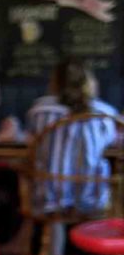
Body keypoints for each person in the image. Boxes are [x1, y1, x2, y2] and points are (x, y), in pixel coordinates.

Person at [25, 60, 118, 213]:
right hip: (92, 196)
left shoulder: (38, 110)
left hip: (48, 195)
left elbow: (31, 142)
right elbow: (111, 143)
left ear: (54, 82)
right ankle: (89, 233)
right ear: (88, 82)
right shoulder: (105, 113)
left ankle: (55, 232)